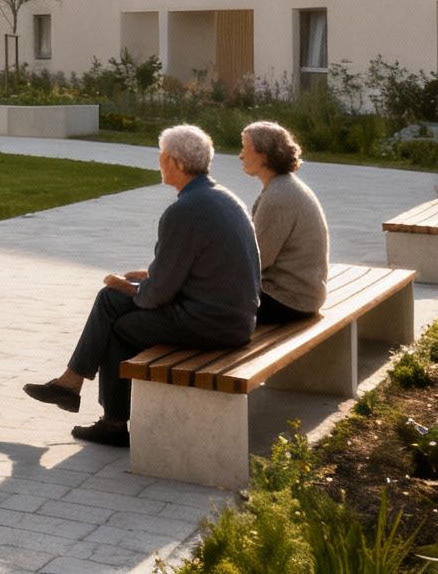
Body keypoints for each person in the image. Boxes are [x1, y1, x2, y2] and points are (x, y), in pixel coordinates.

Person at [22, 124, 261, 447]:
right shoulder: (223, 198)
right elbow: (191, 270)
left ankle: (107, 416)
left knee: (118, 323)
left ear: (175, 162)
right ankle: (75, 389)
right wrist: (147, 279)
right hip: (234, 317)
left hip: (212, 324)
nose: (159, 163)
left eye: (161, 157)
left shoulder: (184, 211)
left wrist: (133, 288)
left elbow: (156, 297)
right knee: (110, 301)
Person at [239, 120, 329, 325]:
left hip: (288, 301)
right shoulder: (284, 186)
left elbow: (257, 260)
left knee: (203, 302)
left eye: (245, 148)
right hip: (304, 295)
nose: (241, 155)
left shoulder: (278, 197)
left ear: (263, 155)